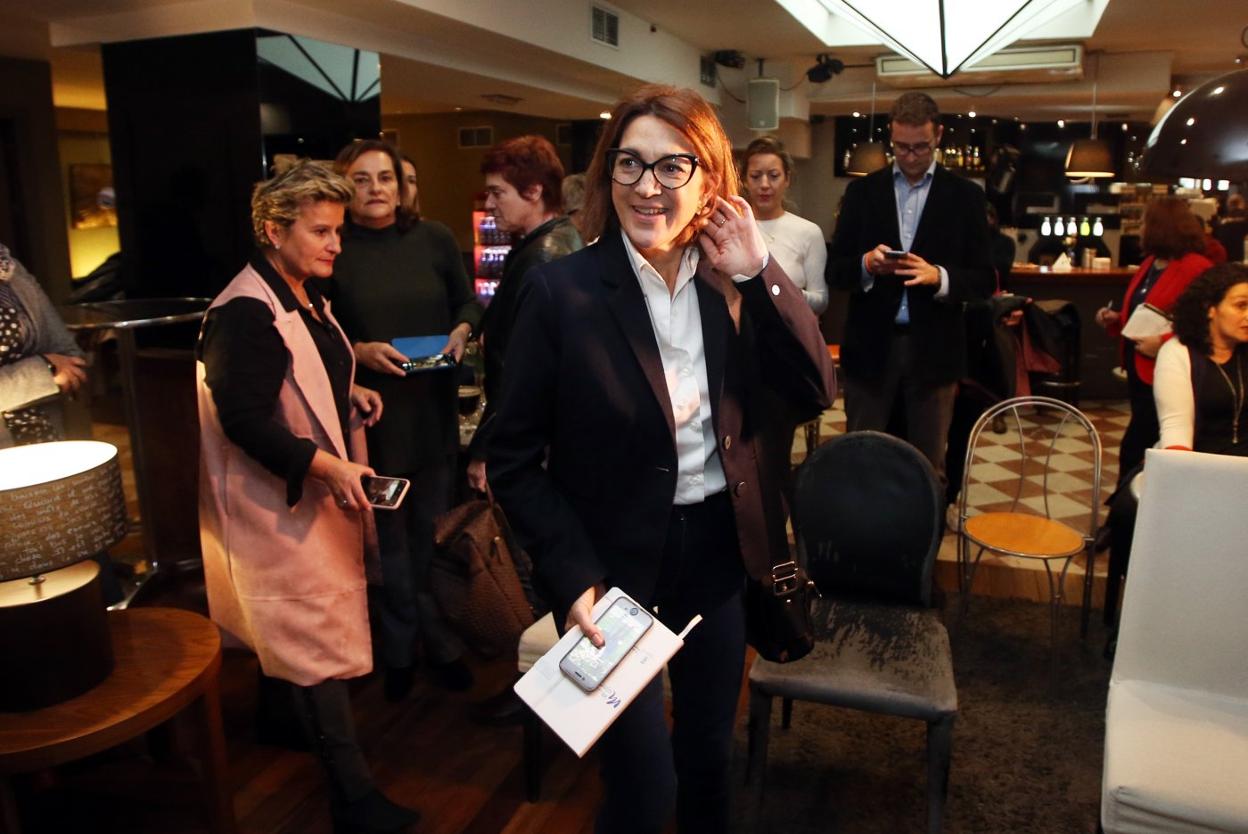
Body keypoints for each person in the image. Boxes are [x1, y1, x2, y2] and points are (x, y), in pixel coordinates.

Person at [488, 84, 836, 834]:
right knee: (642, 785)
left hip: (720, 552)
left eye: (671, 166)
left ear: (709, 179)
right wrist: (572, 573)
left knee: (709, 756)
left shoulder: (732, 283)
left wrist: (759, 271)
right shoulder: (562, 292)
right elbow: (511, 457)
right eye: (629, 165)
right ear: (607, 173)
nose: (648, 187)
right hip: (615, 572)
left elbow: (814, 389)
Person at [196, 160, 418, 833]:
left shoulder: (300, 292)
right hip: (277, 512)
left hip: (303, 507)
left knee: (295, 634)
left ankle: (277, 723)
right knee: (312, 640)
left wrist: (346, 388)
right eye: (321, 231)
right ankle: (353, 800)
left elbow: (304, 367)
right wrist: (328, 465)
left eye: (338, 232)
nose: (335, 244)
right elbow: (244, 421)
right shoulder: (245, 311)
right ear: (272, 229)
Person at [328, 139, 482, 699]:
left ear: (401, 184)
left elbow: (467, 303)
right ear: (345, 187)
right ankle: (397, 653)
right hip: (375, 425)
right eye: (362, 179)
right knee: (388, 544)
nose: (375, 189)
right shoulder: (333, 251)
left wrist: (464, 331)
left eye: (385, 178)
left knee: (432, 536)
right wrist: (360, 352)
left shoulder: (434, 238)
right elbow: (319, 335)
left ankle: (441, 645)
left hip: (433, 414)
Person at [827, 90, 994, 484]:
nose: (910, 156)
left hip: (935, 349)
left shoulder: (966, 197)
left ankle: (924, 539)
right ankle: (863, 536)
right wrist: (867, 264)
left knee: (927, 463)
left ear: (938, 135)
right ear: (891, 137)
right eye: (901, 147)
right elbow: (836, 271)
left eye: (919, 147)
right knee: (862, 454)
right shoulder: (862, 192)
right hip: (870, 346)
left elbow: (985, 279)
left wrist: (940, 277)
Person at [1102, 263, 1248, 649]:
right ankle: (1164, 632)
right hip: (1189, 472)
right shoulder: (1178, 353)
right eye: (1241, 305)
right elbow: (1176, 439)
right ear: (1210, 308)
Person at [466, 135, 582, 492]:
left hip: (532, 441)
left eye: (497, 193)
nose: (489, 204)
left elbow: (521, 369)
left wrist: (487, 448)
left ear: (533, 191)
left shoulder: (543, 258)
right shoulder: (558, 240)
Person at [1095, 197, 1212, 484]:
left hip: (1167, 367)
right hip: (1139, 364)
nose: (1141, 227)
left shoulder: (1196, 267)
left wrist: (1163, 342)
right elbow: (1145, 307)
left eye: (1146, 221)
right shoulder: (1151, 263)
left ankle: (1130, 507)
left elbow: (1202, 320)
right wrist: (1117, 317)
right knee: (1142, 434)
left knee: (1139, 441)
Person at [0, 242, 87, 449]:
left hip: (45, 433)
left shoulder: (9, 267)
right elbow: (56, 366)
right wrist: (45, 368)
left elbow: (69, 357)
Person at [740, 135, 828, 315]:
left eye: (773, 176)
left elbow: (820, 301)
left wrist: (785, 292)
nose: (764, 185)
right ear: (745, 180)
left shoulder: (808, 232)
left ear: (787, 179)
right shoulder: (734, 229)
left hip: (791, 334)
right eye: (756, 176)